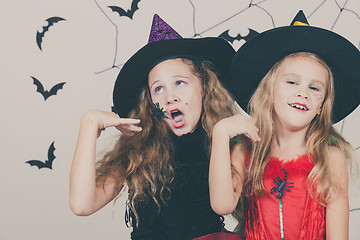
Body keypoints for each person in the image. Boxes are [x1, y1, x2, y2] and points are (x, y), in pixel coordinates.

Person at [70, 14, 241, 240]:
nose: (170, 97)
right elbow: (82, 205)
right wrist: (88, 123)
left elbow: (247, 215)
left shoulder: (232, 144)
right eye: (158, 89)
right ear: (150, 102)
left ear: (204, 88)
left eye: (180, 82)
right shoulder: (137, 151)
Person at [209, 10, 360, 239]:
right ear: (269, 91)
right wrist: (220, 134)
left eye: (314, 87)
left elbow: (338, 236)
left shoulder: (329, 156)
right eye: (292, 82)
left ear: (322, 106)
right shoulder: (246, 149)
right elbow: (222, 206)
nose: (303, 93)